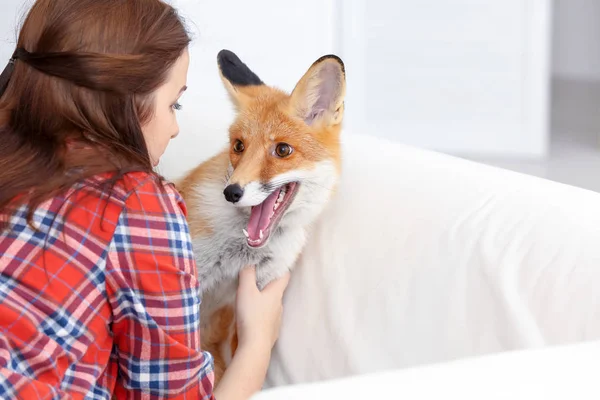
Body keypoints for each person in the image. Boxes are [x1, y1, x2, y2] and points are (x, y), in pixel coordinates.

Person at [0, 0, 290, 399]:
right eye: (174, 104)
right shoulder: (134, 203)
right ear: (126, 101)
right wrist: (258, 341)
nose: (174, 129)